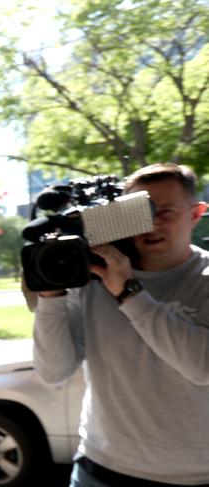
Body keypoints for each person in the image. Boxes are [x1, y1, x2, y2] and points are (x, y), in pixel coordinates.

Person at [33, 162, 209, 486]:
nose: (151, 222)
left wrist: (129, 293)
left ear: (196, 213)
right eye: (139, 210)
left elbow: (201, 367)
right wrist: (51, 294)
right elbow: (53, 371)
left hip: (196, 476)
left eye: (165, 210)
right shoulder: (95, 278)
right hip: (100, 470)